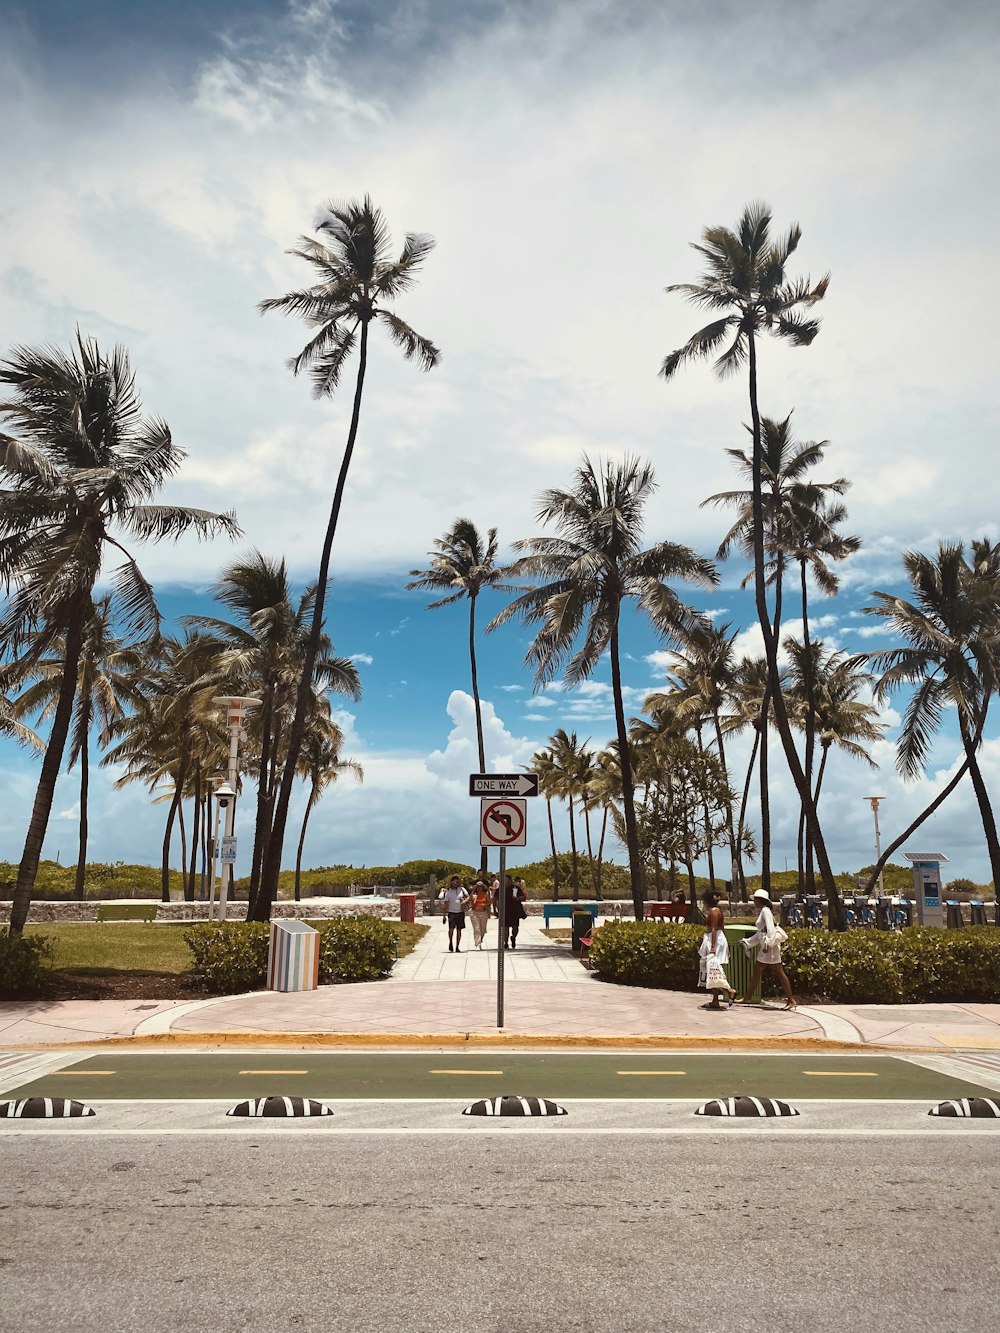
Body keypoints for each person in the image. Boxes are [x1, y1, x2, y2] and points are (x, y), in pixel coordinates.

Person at [737, 888, 797, 1010]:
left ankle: (791, 1000)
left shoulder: (765, 911)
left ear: (760, 900)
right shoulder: (764, 911)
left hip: (769, 947)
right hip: (767, 945)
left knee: (778, 972)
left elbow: (770, 929)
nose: (754, 901)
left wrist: (768, 944)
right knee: (758, 971)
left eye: (755, 899)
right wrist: (748, 942)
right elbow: (761, 932)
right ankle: (747, 997)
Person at [698, 890, 735, 1010]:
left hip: (715, 940)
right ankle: (715, 1000)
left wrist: (713, 947)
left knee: (714, 969)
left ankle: (729, 990)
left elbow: (714, 929)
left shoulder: (714, 911)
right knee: (713, 970)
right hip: (718, 939)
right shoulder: (718, 910)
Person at [439, 874, 470, 953]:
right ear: (451, 883)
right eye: (454, 882)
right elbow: (446, 904)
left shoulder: (462, 889)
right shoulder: (449, 892)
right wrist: (444, 916)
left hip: (460, 912)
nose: (455, 883)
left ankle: (457, 946)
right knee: (451, 929)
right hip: (451, 913)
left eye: (457, 881)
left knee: (459, 930)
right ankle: (450, 943)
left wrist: (464, 901)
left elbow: (468, 897)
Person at [501, 873, 527, 949]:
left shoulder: (515, 888)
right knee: (505, 928)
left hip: (514, 910)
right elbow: (495, 899)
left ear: (509, 880)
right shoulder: (501, 889)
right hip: (505, 911)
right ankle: (505, 943)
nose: (504, 881)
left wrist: (517, 898)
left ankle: (513, 937)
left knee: (515, 927)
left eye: (506, 879)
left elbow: (523, 897)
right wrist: (496, 909)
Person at [468, 878, 493, 950]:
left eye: (481, 886)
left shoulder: (485, 894)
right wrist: (470, 901)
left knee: (483, 929)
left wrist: (484, 904)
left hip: (483, 913)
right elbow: (469, 899)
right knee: (477, 929)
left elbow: (489, 902)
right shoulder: (473, 894)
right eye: (478, 886)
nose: (479, 888)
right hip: (474, 913)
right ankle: (477, 943)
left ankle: (480, 940)